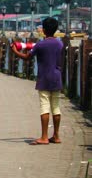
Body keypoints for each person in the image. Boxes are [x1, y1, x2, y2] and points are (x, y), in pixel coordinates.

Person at [11, 17, 63, 145]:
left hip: (44, 78)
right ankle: (56, 136)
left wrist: (15, 51)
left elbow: (27, 57)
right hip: (57, 77)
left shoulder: (40, 44)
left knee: (45, 107)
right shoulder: (60, 44)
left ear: (44, 30)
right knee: (56, 107)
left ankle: (44, 137)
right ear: (55, 30)